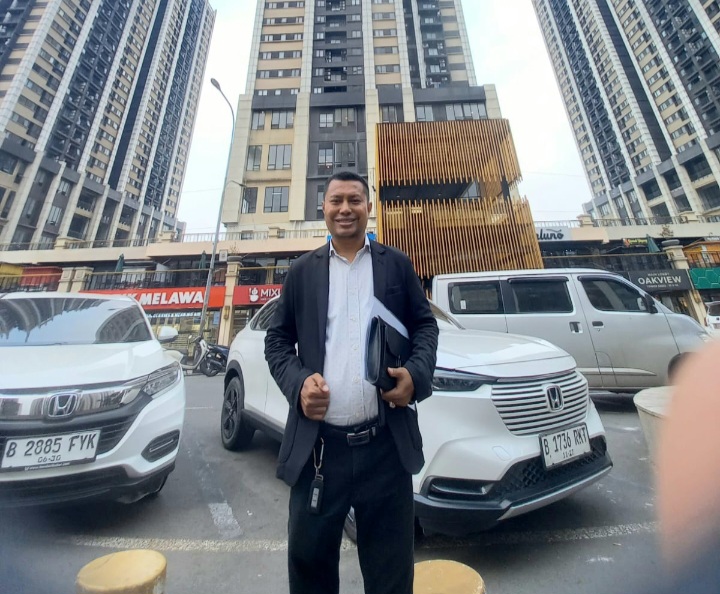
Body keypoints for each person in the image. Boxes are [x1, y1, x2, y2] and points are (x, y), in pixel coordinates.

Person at [264, 171, 439, 594]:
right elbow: (277, 341)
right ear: (323, 208)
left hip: (385, 448)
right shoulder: (302, 272)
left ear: (368, 208)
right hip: (320, 451)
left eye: (354, 200)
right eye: (336, 200)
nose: (345, 209)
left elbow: (425, 327)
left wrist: (415, 375)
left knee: (391, 575)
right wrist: (299, 384)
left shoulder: (395, 264)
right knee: (310, 570)